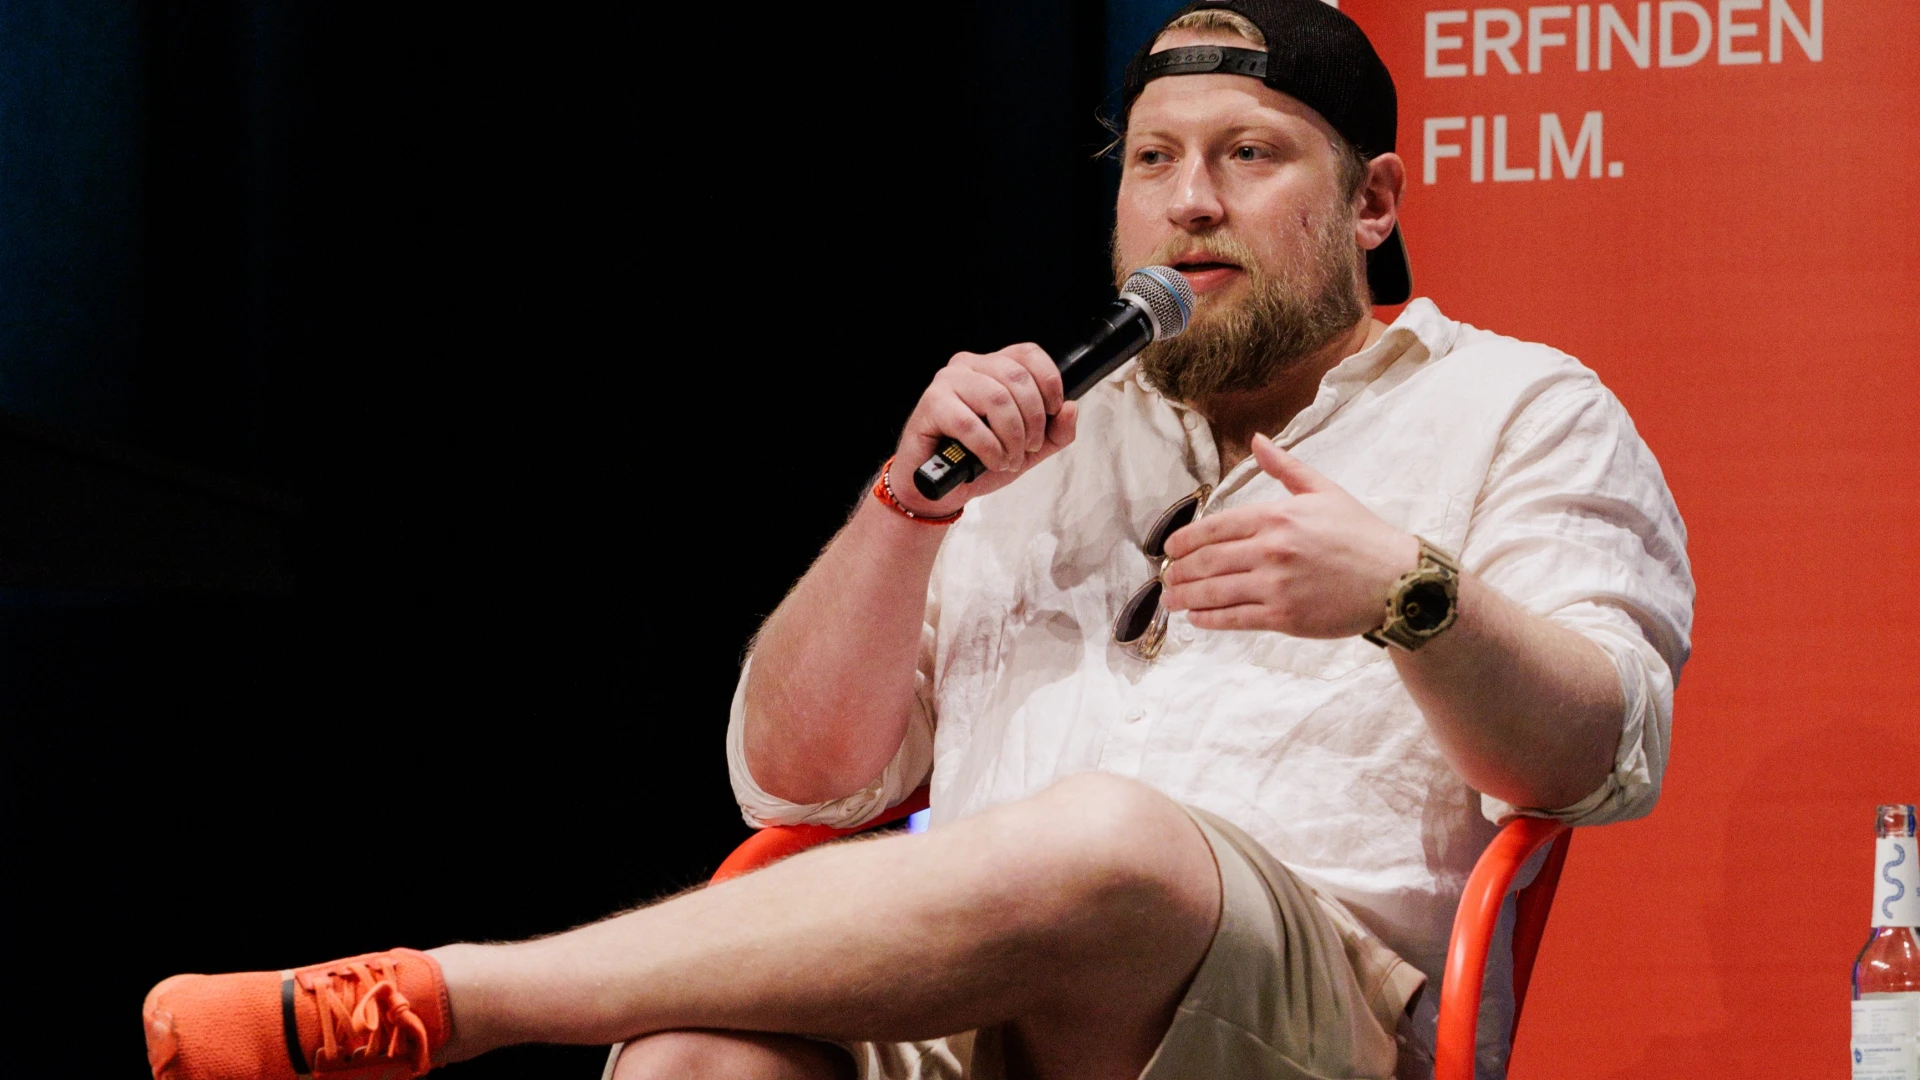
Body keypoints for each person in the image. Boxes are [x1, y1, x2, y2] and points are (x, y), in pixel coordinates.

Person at [140, 2, 1693, 1078]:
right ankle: (477, 1006)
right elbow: (798, 787)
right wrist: (909, 505)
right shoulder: (1045, 436)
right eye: (1153, 160)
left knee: (1108, 841)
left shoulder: (1517, 405)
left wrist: (1408, 596)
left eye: (1249, 154)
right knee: (692, 1060)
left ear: (1374, 204)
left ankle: (468, 996)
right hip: (968, 1013)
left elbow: (1600, 754)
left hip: (1304, 1017)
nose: (1187, 205)